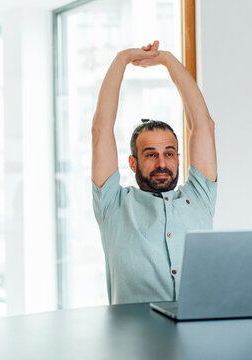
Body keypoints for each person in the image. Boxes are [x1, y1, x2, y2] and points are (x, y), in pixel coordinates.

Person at [91, 40, 217, 305]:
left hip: (198, 336)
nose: (162, 162)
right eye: (150, 154)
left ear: (178, 158)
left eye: (169, 153)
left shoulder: (200, 196)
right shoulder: (113, 204)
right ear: (133, 162)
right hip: (135, 340)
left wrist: (168, 61)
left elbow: (204, 126)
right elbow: (101, 130)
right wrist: (122, 59)